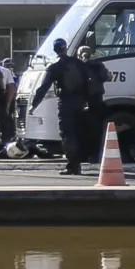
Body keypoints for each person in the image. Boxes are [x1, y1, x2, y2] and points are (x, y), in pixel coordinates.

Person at [31, 38, 92, 175]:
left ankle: (73, 166)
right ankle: (80, 162)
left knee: (67, 134)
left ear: (55, 50)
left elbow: (43, 88)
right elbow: (88, 82)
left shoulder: (55, 67)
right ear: (66, 48)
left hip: (66, 103)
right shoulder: (78, 63)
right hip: (81, 102)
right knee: (79, 133)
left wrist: (34, 105)